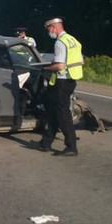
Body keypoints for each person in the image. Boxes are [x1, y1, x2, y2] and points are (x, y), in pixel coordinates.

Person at [39, 17, 84, 156]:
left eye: (49, 29)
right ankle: (46, 142)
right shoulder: (73, 40)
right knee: (53, 110)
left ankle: (71, 146)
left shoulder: (60, 42)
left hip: (62, 81)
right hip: (71, 79)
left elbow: (59, 65)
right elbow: (82, 61)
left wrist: (46, 68)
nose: (49, 33)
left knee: (63, 114)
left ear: (54, 27)